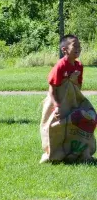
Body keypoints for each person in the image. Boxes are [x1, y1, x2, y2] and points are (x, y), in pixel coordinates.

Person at [40, 35, 96, 163]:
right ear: (64, 49)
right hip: (58, 101)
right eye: (75, 46)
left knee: (86, 119)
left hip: (72, 100)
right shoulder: (60, 65)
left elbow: (78, 87)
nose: (78, 49)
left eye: (79, 46)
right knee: (55, 126)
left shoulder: (79, 66)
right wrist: (57, 105)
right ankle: (53, 154)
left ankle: (78, 152)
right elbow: (52, 89)